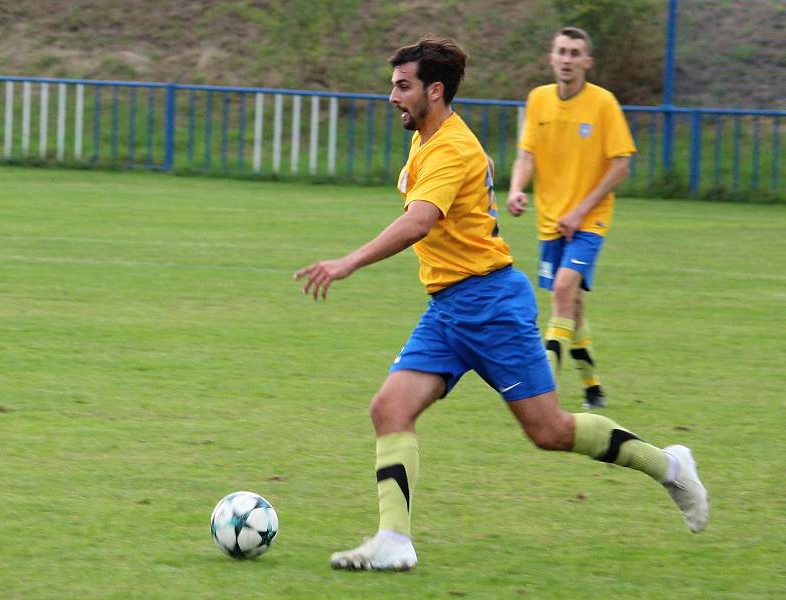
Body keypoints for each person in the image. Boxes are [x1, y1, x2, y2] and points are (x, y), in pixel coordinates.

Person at [294, 37, 708, 572]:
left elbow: (420, 220)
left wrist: (348, 262)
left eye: (402, 86)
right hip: (448, 308)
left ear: (434, 90)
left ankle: (670, 464)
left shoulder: (449, 147)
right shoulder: (428, 137)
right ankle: (393, 540)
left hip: (490, 304)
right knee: (389, 409)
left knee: (549, 431)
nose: (392, 96)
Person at [507, 26, 636, 410]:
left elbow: (621, 165)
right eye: (561, 51)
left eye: (574, 53)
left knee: (563, 291)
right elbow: (526, 155)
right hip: (550, 220)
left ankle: (541, 386)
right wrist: (516, 188)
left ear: (586, 61)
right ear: (551, 57)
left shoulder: (603, 104)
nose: (566, 59)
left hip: (589, 220)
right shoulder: (538, 99)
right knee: (571, 307)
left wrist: (581, 210)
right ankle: (593, 386)